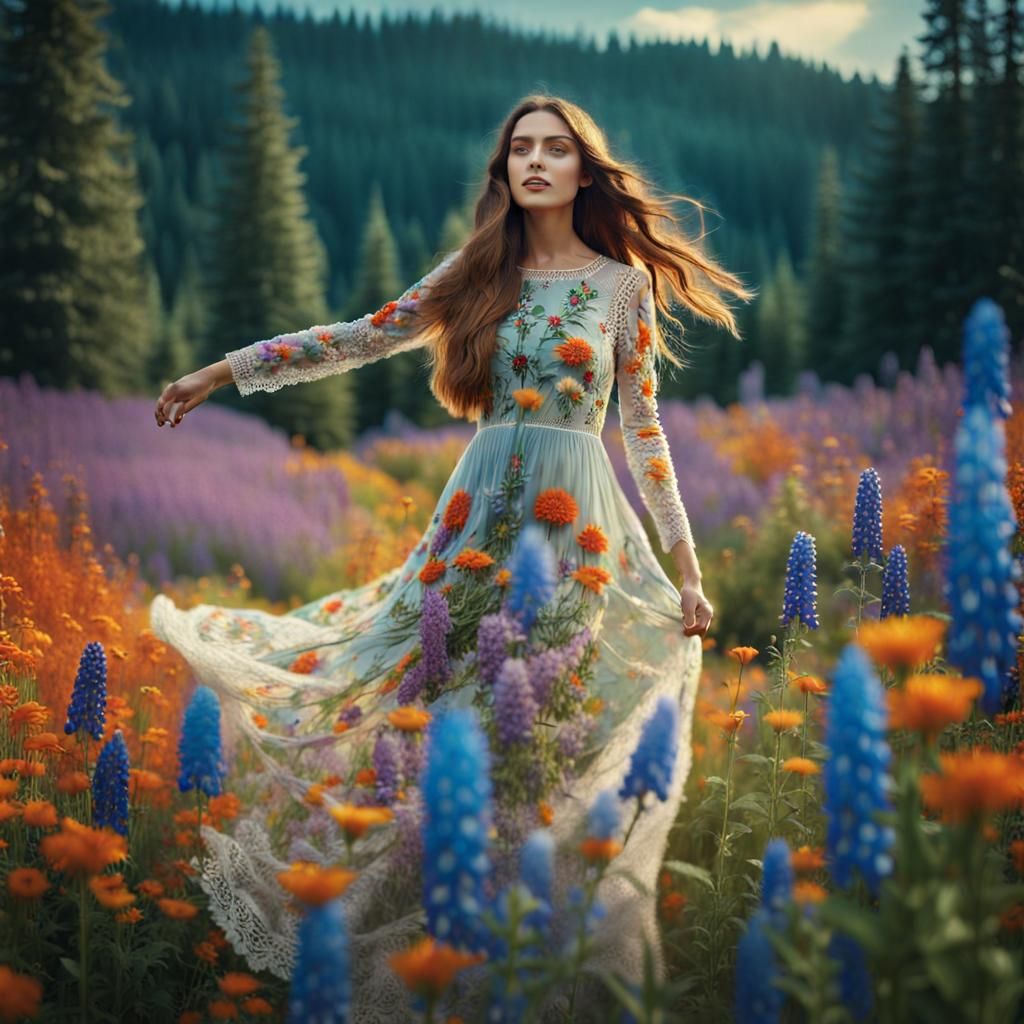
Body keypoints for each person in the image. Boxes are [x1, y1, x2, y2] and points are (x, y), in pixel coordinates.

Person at [151, 94, 753, 1020]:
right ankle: (418, 944)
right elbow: (361, 335)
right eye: (522, 149)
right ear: (503, 170)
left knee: (539, 735)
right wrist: (223, 370)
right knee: (425, 706)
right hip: (477, 522)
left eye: (557, 149)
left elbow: (643, 430)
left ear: (585, 171)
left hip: (578, 538)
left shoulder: (622, 285)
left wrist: (687, 566)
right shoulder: (477, 270)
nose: (537, 161)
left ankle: (522, 964)